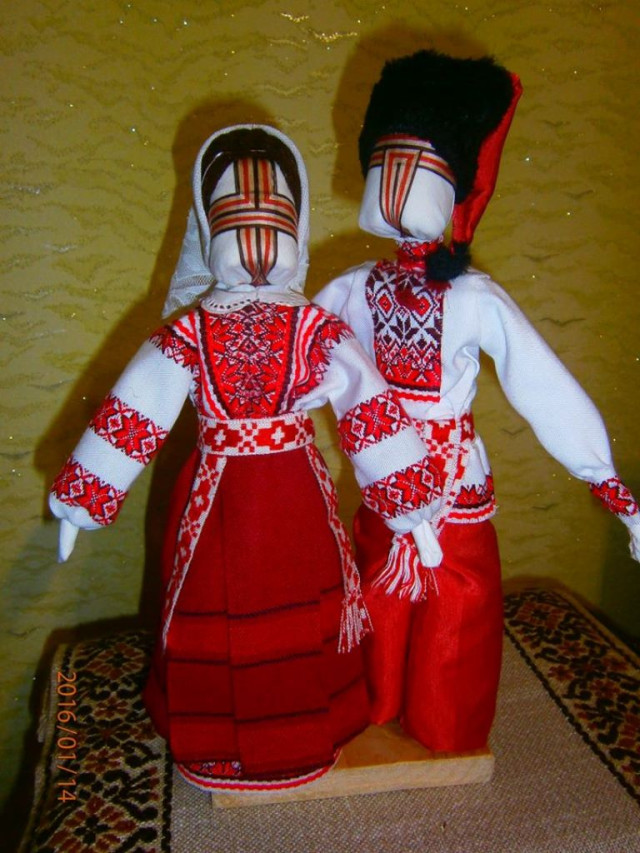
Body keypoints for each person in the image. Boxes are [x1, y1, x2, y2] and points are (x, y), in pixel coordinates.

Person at [49, 125, 443, 792]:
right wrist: (86, 495)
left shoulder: (313, 327)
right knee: (212, 607)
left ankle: (304, 733)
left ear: (296, 230)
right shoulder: (190, 330)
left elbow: (367, 405)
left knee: (302, 607)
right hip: (217, 500)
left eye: (274, 226)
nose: (257, 249)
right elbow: (139, 407)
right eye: (237, 226)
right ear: (210, 234)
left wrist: (411, 503)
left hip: (294, 496)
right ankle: (216, 740)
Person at [314, 51, 640, 754]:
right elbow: (297, 350)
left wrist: (604, 479)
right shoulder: (351, 287)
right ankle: (374, 705)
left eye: (416, 169)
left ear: (452, 190)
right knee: (377, 591)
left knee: (455, 605)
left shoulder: (472, 298)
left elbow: (539, 381)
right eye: (386, 165)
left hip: (451, 479)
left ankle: (447, 728)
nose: (396, 185)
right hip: (380, 476)